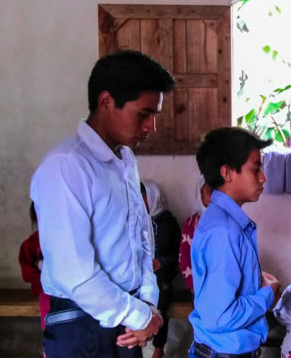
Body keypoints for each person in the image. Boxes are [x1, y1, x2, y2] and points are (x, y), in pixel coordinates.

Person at [30, 50, 174, 357]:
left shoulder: (125, 160)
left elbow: (142, 237)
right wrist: (140, 315)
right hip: (82, 326)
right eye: (143, 114)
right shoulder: (66, 166)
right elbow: (75, 273)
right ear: (106, 102)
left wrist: (148, 302)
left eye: (154, 116)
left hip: (127, 318)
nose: (151, 127)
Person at [189, 127, 281, 358]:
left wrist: (254, 281)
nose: (263, 177)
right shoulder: (224, 231)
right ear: (227, 173)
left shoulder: (225, 222)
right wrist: (267, 294)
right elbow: (220, 317)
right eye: (255, 169)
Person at [140, 180, 183, 358]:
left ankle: (159, 347)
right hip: (140, 276)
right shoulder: (136, 222)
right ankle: (134, 342)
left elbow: (180, 255)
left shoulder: (168, 223)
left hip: (162, 277)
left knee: (161, 296)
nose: (141, 203)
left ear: (153, 197)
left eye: (144, 198)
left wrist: (162, 262)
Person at [18, 202, 50, 330]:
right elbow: (27, 274)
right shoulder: (31, 244)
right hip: (46, 295)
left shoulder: (70, 238)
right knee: (51, 331)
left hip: (72, 296)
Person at [179, 175, 211, 293]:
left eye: (218, 192)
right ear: (200, 194)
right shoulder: (192, 223)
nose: (215, 197)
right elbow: (184, 255)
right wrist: (191, 283)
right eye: (210, 192)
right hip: (200, 282)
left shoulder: (226, 220)